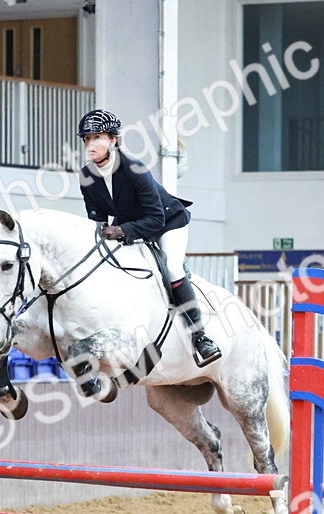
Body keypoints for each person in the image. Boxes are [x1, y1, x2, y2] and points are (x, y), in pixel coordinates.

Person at [76, 108, 222, 367]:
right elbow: (97, 220)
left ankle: (201, 338)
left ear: (113, 140)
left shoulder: (134, 169)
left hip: (167, 223)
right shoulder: (87, 176)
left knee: (173, 268)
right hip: (130, 224)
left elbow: (155, 219)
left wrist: (121, 232)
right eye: (86, 139)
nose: (90, 144)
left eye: (96, 137)